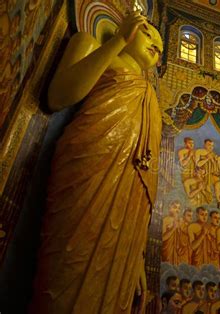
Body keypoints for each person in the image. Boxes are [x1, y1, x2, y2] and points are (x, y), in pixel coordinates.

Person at [30, 12, 163, 314]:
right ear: (126, 27)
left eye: (160, 47)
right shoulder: (90, 43)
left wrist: (136, 254)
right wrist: (117, 41)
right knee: (68, 263)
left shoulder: (149, 94)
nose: (156, 46)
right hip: (90, 165)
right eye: (148, 34)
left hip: (130, 193)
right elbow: (59, 96)